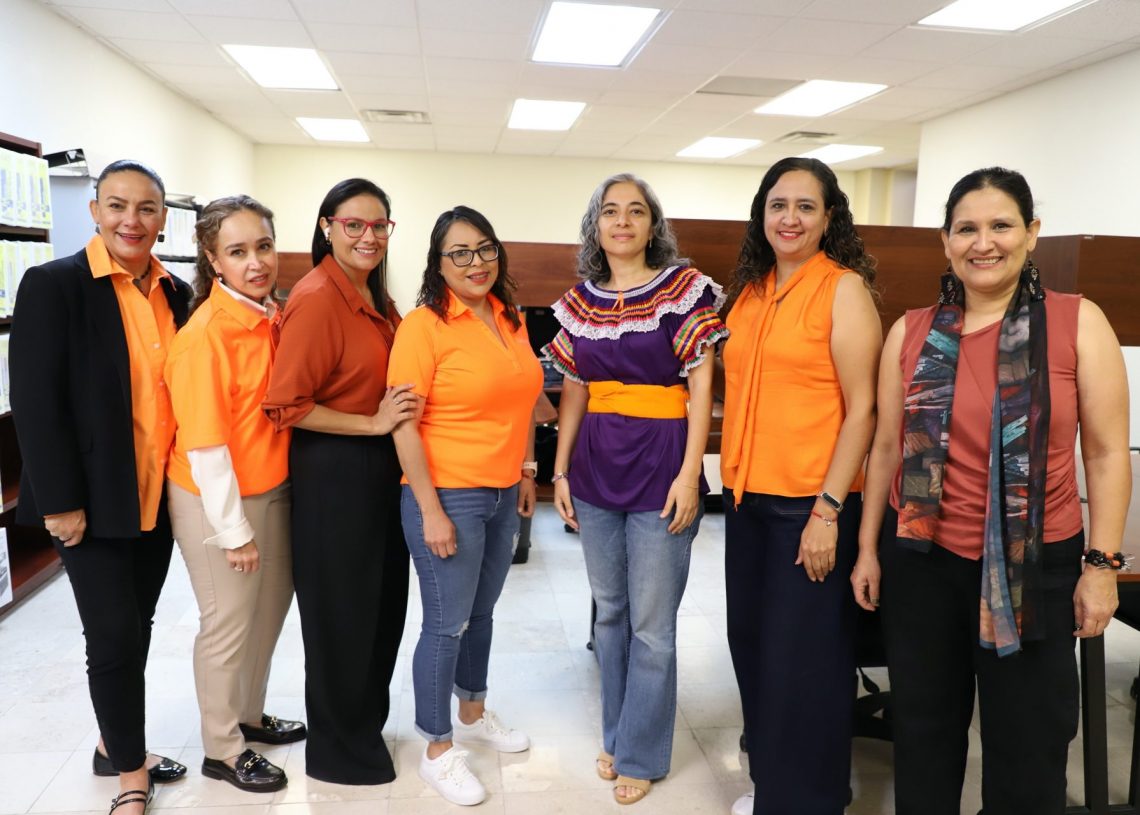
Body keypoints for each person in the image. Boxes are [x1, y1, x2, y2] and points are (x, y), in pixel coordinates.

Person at [852, 167, 1129, 815]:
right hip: (924, 564)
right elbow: (886, 448)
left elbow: (1106, 452)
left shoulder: (1077, 322)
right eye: (966, 228)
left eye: (1001, 225)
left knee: (1029, 746)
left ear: (1031, 233)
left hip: (1034, 567)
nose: (984, 242)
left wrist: (1101, 566)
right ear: (945, 240)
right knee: (923, 733)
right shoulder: (912, 331)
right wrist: (867, 548)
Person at [9, 160, 193, 814]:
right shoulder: (54, 285)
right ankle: (130, 777)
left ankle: (112, 742)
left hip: (156, 498)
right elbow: (35, 403)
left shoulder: (177, 293)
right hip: (90, 500)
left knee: (135, 628)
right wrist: (60, 502)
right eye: (117, 205)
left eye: (146, 208)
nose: (131, 220)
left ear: (163, 217)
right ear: (94, 211)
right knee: (112, 636)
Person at [546, 173, 726, 806]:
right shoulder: (579, 303)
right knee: (611, 613)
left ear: (654, 225)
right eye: (610, 212)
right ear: (595, 226)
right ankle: (618, 734)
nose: (622, 221)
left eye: (636, 211)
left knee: (652, 624)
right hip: (595, 467)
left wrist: (690, 473)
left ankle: (641, 755)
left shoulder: (683, 291)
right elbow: (573, 391)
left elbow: (702, 386)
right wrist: (560, 471)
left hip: (662, 465)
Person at [720, 157, 881, 815]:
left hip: (808, 507)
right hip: (744, 500)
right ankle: (777, 788)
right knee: (753, 648)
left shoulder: (842, 289)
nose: (789, 218)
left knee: (804, 665)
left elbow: (864, 409)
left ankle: (808, 801)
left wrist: (828, 511)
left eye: (805, 206)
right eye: (778, 205)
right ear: (762, 214)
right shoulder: (751, 291)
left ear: (829, 217)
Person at [262, 178, 416, 785]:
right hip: (336, 472)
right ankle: (336, 749)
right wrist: (372, 422)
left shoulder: (370, 291)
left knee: (380, 609)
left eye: (379, 225)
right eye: (354, 224)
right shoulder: (318, 297)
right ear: (327, 227)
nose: (368, 236)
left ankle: (361, 728)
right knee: (342, 617)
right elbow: (286, 405)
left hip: (377, 470)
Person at [389, 206, 541, 806]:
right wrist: (430, 510)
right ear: (438, 263)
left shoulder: (509, 317)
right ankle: (437, 749)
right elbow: (404, 425)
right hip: (448, 494)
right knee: (446, 623)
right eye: (459, 252)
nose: (475, 262)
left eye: (484, 249)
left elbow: (523, 400)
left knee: (482, 613)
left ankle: (473, 712)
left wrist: (526, 470)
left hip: (502, 493)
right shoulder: (422, 327)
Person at [165, 195, 305, 794]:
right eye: (238, 251)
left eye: (264, 246)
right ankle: (222, 748)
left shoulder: (271, 316)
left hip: (271, 486)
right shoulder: (206, 336)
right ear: (213, 259)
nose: (256, 262)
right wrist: (232, 531)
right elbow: (206, 447)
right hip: (217, 498)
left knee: (266, 614)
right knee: (226, 624)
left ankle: (248, 714)